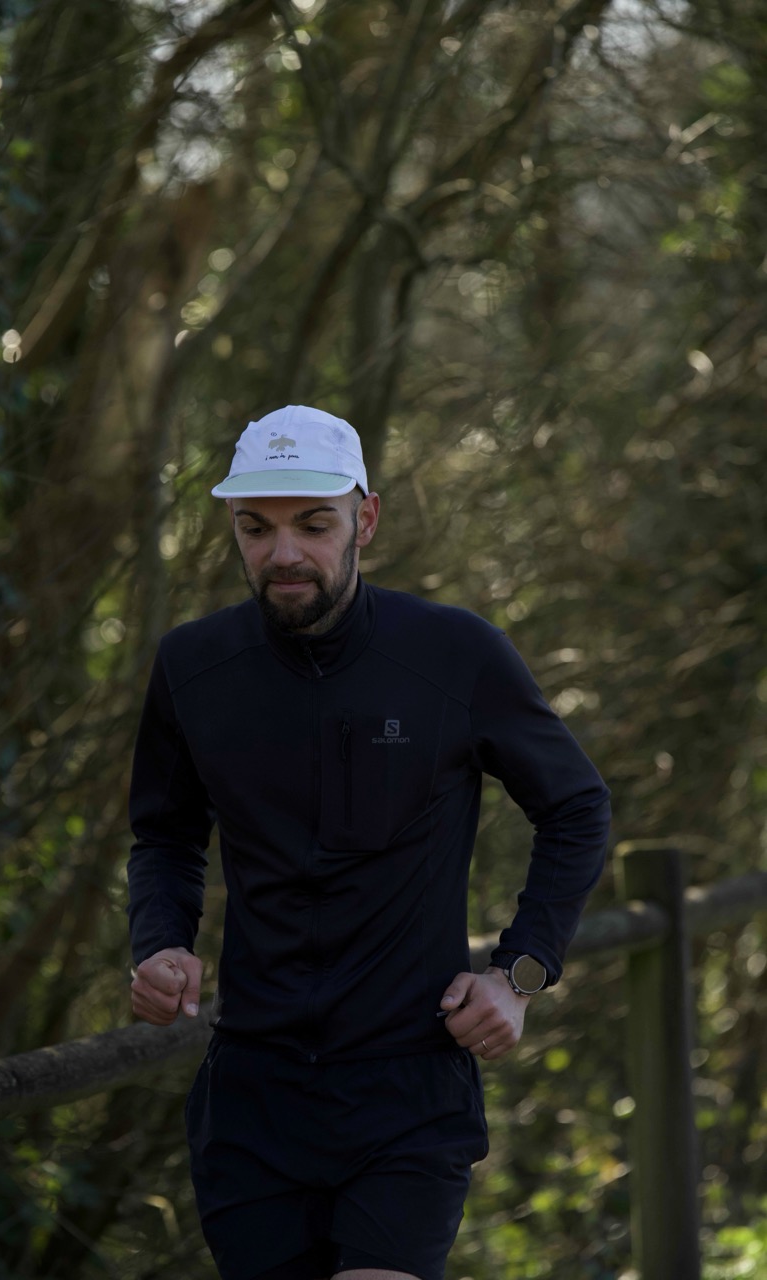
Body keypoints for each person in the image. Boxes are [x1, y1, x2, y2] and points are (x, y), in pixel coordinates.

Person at [127, 404, 611, 1280]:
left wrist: (520, 973)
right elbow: (164, 833)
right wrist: (159, 942)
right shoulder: (191, 665)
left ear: (366, 519)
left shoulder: (454, 653)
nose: (283, 553)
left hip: (408, 1090)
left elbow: (575, 806)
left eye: (314, 525)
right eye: (256, 528)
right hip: (252, 1097)